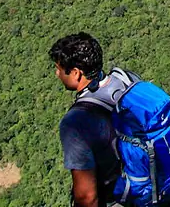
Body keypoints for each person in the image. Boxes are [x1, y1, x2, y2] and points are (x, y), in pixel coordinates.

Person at [51, 33, 120, 207]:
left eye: (59, 69)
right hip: (151, 181)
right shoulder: (124, 79)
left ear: (75, 73)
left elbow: (87, 197)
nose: (56, 74)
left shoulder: (76, 123)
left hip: (118, 198)